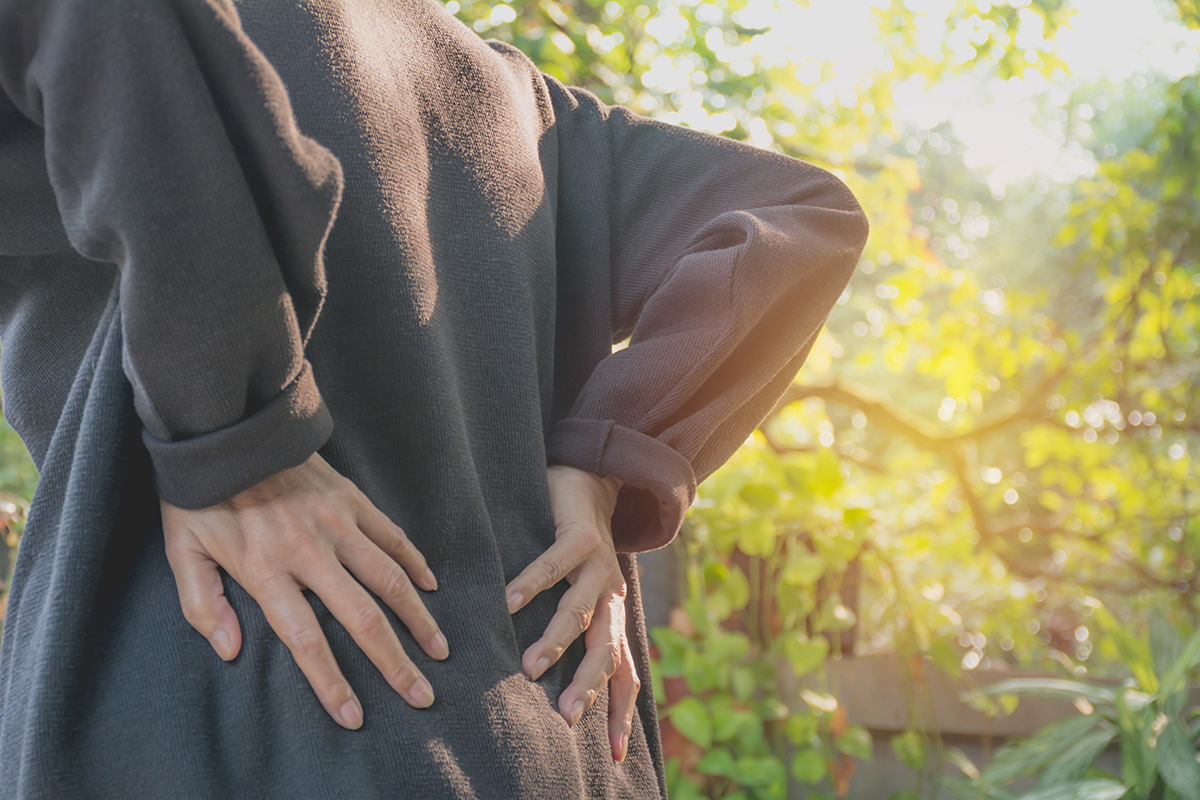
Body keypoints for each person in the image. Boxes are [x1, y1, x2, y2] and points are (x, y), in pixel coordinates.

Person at [0, 0, 868, 797]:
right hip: (550, 741)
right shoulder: (525, 105)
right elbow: (797, 215)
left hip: (231, 715)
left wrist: (239, 447)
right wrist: (606, 458)